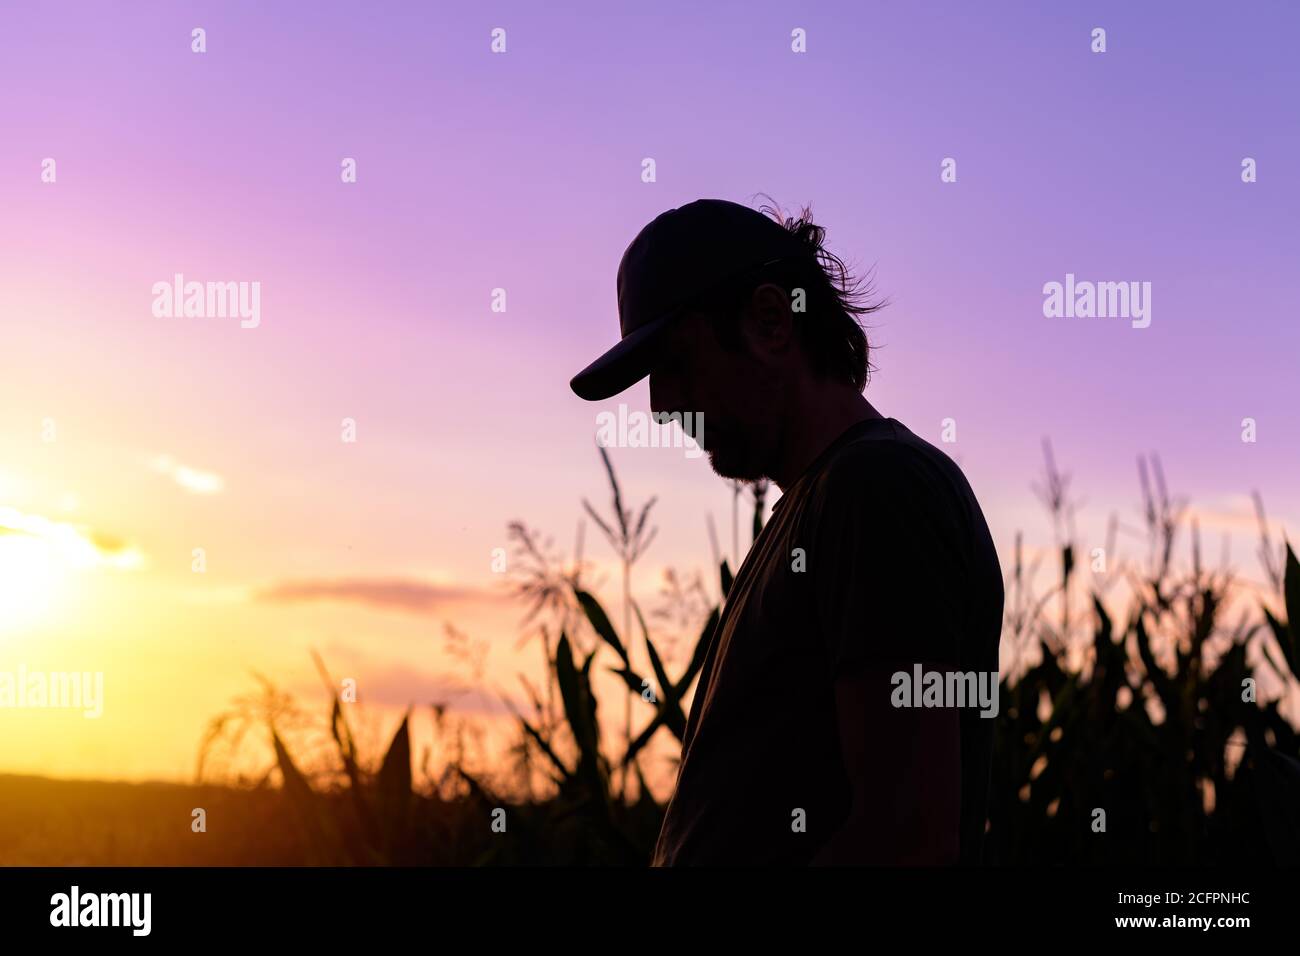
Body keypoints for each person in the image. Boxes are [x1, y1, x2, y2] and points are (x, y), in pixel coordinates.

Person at [569, 198, 1004, 865]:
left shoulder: (875, 489)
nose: (659, 406)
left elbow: (907, 840)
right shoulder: (820, 508)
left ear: (772, 322)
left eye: (677, 362)